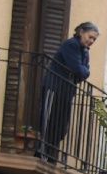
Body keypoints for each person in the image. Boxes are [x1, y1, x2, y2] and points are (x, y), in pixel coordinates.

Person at [40, 22, 98, 163]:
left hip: (66, 92)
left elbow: (84, 73)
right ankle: (42, 153)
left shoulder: (84, 51)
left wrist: (83, 71)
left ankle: (51, 155)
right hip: (54, 87)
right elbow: (78, 69)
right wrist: (83, 71)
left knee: (61, 126)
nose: (91, 41)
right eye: (90, 37)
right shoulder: (71, 45)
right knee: (48, 122)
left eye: (94, 39)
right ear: (81, 32)